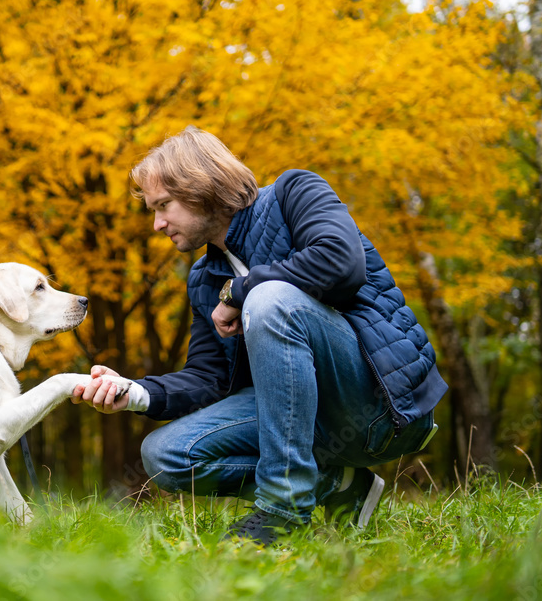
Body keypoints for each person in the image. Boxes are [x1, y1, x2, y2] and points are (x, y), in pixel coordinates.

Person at [71, 126, 446, 546]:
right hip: (302, 424)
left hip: (380, 405)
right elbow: (209, 380)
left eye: (164, 206)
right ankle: (339, 485)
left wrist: (241, 291)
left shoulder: (294, 192)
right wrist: (135, 392)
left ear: (199, 187)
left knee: (269, 300)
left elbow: (341, 262)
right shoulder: (202, 278)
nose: (157, 224)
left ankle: (282, 508)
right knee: (164, 454)